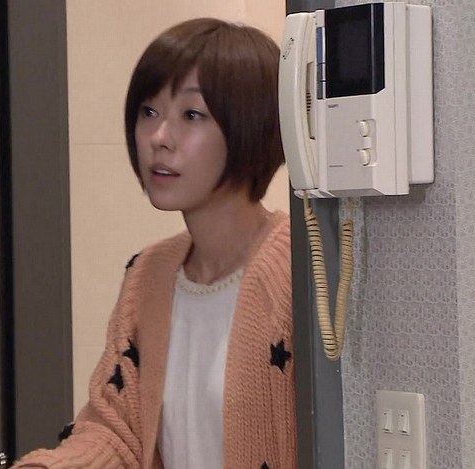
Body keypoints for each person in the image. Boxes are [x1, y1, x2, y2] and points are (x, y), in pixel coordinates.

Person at [15, 17, 295, 469]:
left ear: (251, 125)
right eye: (148, 111)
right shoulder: (149, 273)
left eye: (191, 115)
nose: (159, 138)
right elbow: (116, 430)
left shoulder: (298, 272)